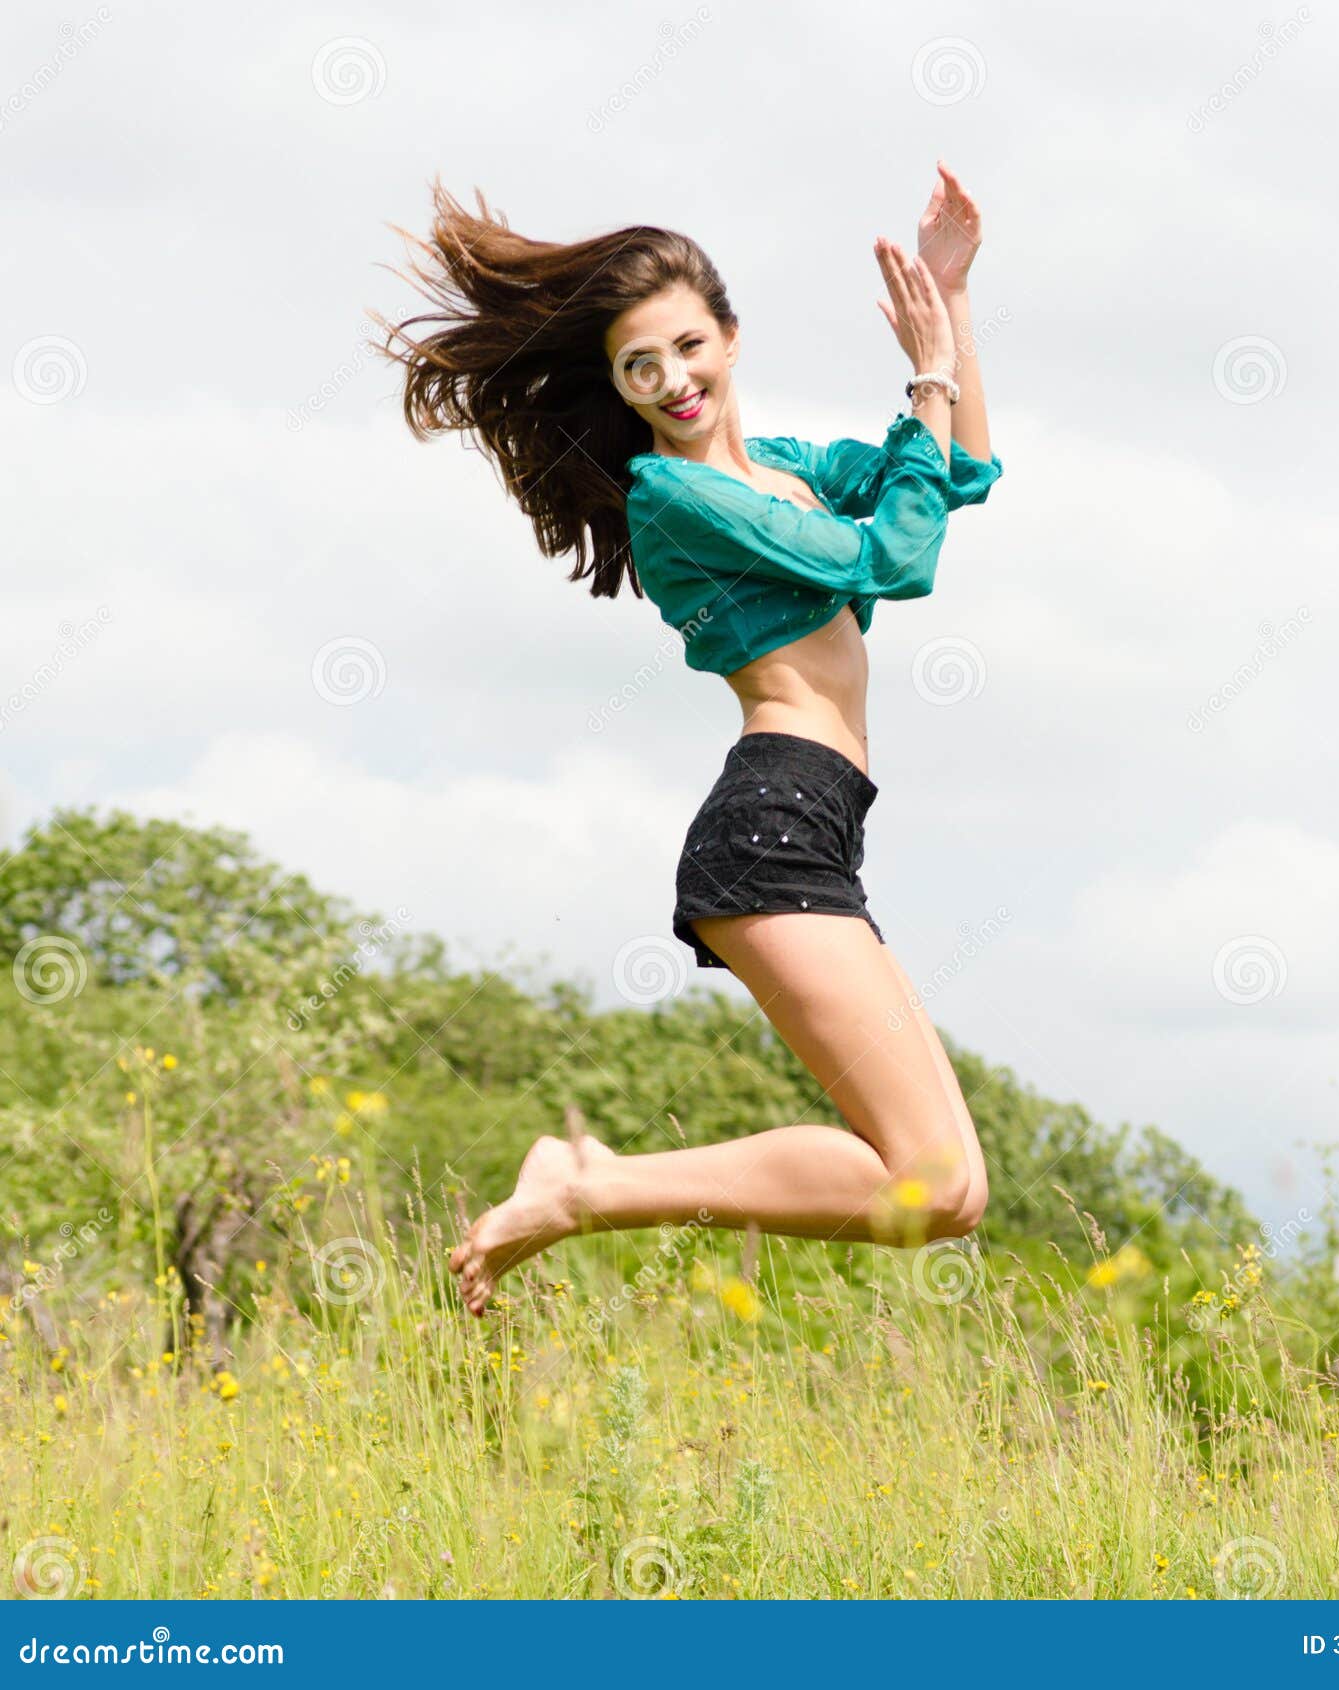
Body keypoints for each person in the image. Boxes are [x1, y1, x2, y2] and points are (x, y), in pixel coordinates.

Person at [372, 161, 1003, 1317]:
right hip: (771, 828)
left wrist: (949, 307)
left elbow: (953, 473)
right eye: (638, 366)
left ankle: (590, 1182)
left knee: (948, 1191)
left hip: (817, 826)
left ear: (729, 336)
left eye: (684, 347)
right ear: (618, 387)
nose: (670, 380)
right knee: (921, 1175)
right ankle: (585, 1185)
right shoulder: (672, 498)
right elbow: (897, 561)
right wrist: (920, 371)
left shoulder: (786, 475)